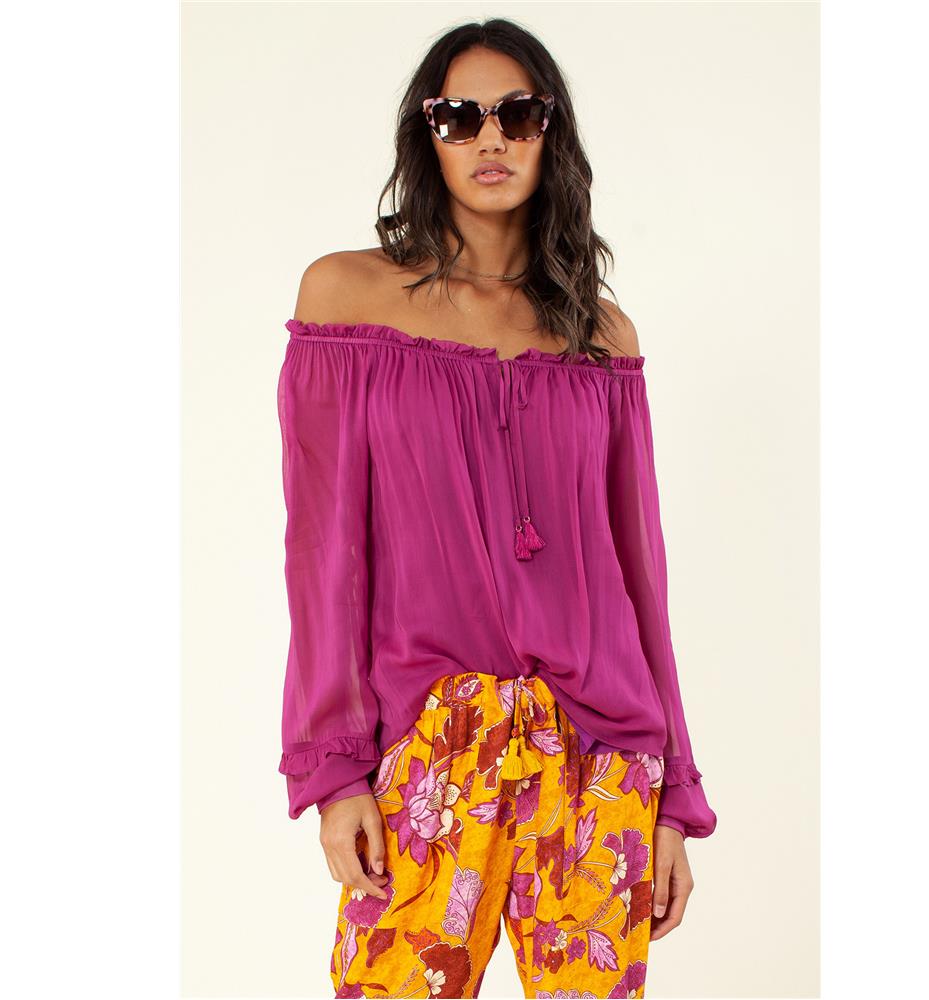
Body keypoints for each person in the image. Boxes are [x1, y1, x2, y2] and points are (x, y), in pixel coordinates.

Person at [276, 18, 718, 999]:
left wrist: (674, 795)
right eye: (459, 116)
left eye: (518, 115)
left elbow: (639, 573)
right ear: (425, 135)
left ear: (550, 132)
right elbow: (323, 553)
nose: (490, 138)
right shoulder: (348, 299)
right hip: (430, 742)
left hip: (600, 751)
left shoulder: (600, 336)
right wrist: (335, 768)